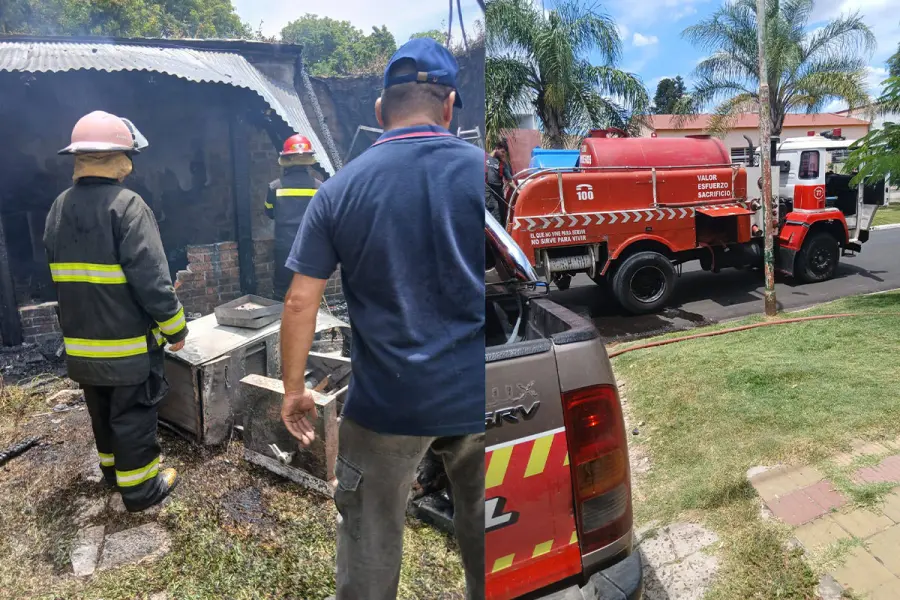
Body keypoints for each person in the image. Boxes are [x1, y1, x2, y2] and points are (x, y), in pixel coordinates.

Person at [278, 37, 485, 600]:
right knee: (487, 528)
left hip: (388, 403)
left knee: (369, 542)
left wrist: (294, 390)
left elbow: (299, 301)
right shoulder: (482, 171)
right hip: (478, 394)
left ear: (379, 109)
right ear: (448, 106)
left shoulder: (338, 189)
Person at [44, 111, 186, 512]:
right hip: (126, 348)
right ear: (116, 158)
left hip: (81, 346)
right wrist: (176, 328)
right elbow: (152, 281)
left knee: (102, 413)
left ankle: (112, 473)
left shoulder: (59, 207)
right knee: (133, 415)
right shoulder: (128, 206)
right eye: (128, 155)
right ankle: (141, 490)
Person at [265, 134, 322, 300]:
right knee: (309, 288)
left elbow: (269, 212)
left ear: (285, 159)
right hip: (310, 244)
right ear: (309, 160)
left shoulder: (275, 187)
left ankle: (280, 313)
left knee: (281, 288)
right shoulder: (319, 187)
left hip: (285, 244)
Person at [486, 139, 513, 226]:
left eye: (505, 153)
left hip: (498, 190)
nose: (503, 154)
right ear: (496, 148)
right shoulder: (484, 158)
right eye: (502, 152)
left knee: (503, 210)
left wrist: (519, 190)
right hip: (487, 190)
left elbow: (510, 180)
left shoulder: (502, 164)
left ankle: (503, 229)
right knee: (495, 210)